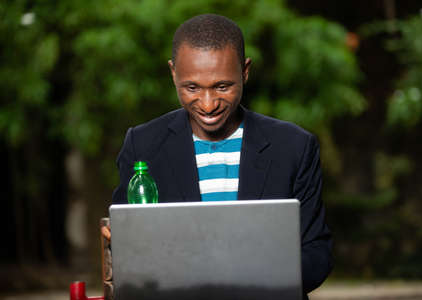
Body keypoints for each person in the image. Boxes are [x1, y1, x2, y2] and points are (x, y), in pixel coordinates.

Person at [105, 13, 333, 298]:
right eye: (192, 88)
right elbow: (124, 250)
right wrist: (122, 247)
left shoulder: (295, 147)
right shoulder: (142, 145)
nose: (208, 104)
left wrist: (246, 279)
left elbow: (317, 253)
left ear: (245, 71)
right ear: (173, 72)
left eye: (222, 86)